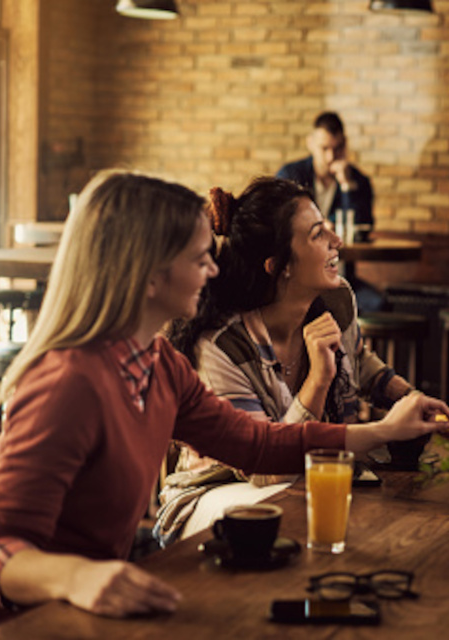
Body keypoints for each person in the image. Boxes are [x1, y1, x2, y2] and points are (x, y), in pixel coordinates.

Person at [0, 170, 449, 618]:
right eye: (200, 258)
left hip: (94, 612)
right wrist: (76, 576)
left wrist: (384, 430)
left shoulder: (161, 369)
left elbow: (259, 445)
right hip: (20, 620)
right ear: (151, 275)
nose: (214, 271)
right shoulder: (68, 384)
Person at [155, 177, 423, 544]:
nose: (337, 241)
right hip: (217, 493)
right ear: (280, 265)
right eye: (317, 234)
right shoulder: (222, 347)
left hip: (302, 476)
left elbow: (359, 361)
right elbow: (266, 469)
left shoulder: (336, 300)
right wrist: (319, 381)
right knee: (294, 512)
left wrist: (407, 398)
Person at [276, 112, 383, 313]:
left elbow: (362, 229)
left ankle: (356, 345)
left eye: (338, 148)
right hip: (299, 278)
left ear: (345, 145)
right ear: (310, 143)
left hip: (341, 276)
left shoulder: (358, 181)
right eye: (324, 148)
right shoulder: (290, 176)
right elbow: (279, 226)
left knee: (378, 304)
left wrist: (346, 187)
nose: (330, 157)